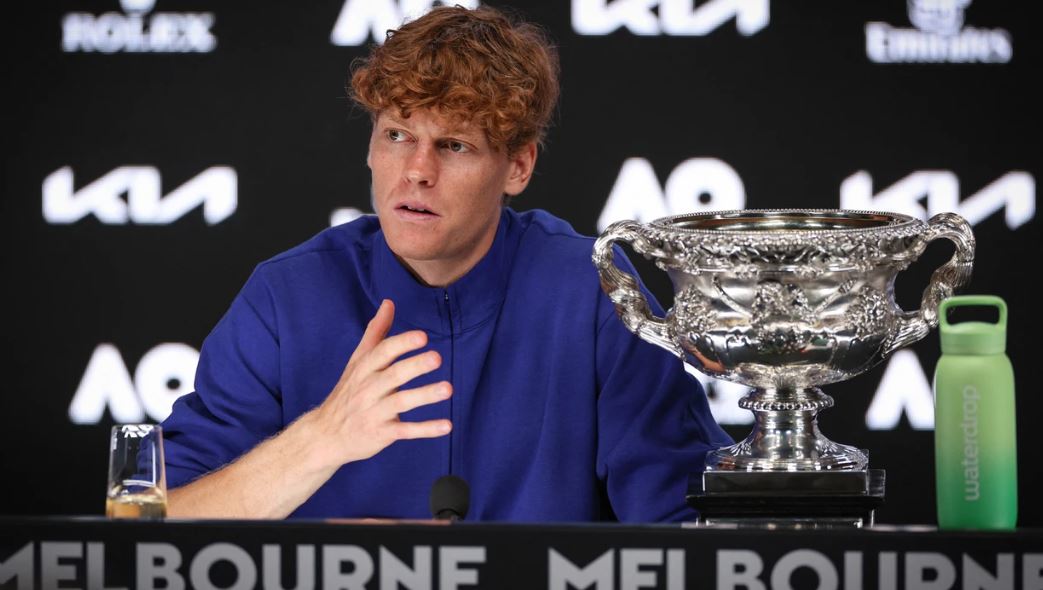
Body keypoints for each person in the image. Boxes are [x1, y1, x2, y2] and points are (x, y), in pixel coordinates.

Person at [160, 4, 731, 521]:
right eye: (397, 135)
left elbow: (680, 537)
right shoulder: (287, 297)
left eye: (454, 145)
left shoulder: (591, 294)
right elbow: (158, 525)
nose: (416, 170)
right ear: (370, 147)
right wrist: (319, 440)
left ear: (518, 167)